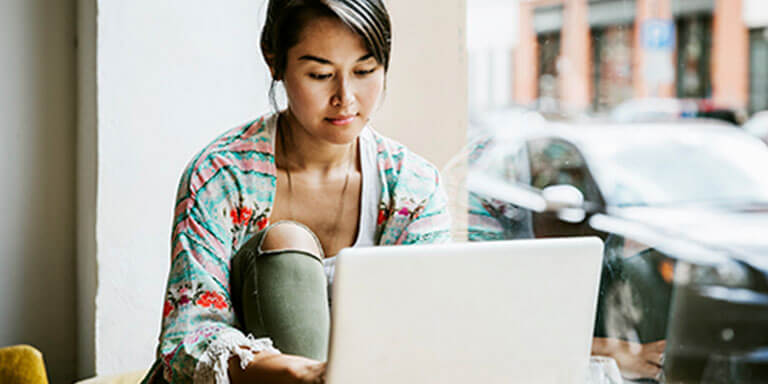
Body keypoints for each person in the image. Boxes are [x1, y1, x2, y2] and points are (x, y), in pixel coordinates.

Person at [141, 1, 451, 383]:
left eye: (365, 71)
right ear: (274, 61)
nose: (346, 98)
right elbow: (186, 342)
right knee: (286, 244)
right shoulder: (221, 176)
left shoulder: (413, 186)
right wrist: (303, 374)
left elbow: (421, 329)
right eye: (320, 74)